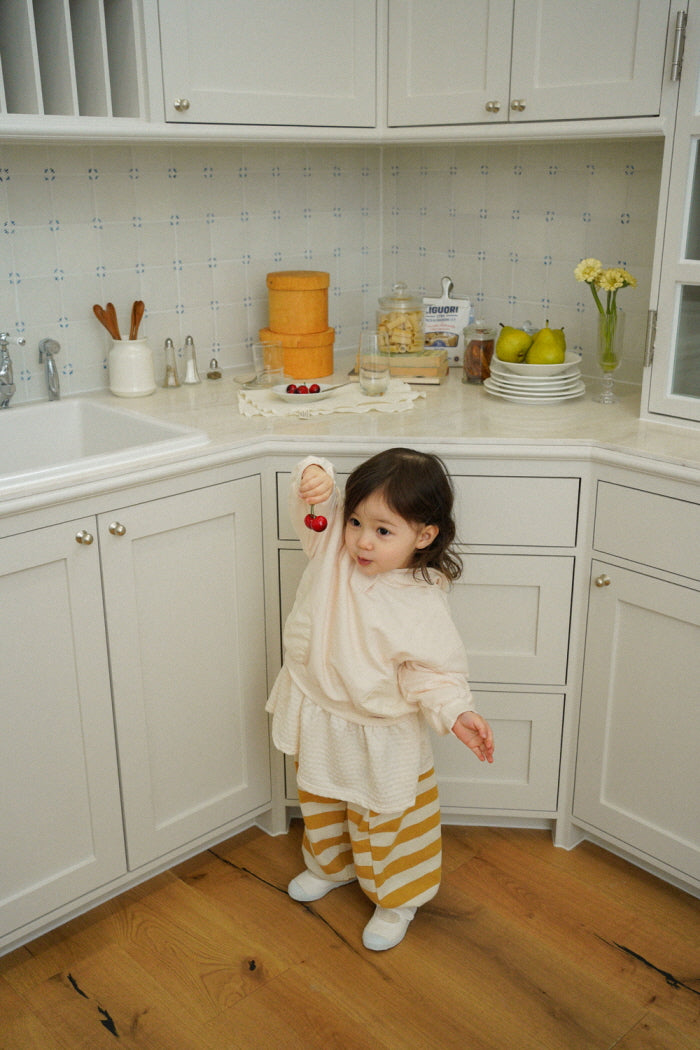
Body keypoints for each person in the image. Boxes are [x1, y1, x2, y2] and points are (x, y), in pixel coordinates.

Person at [266, 448, 494, 951]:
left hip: (380, 728)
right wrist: (313, 475)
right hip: (320, 709)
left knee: (388, 818)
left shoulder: (421, 598)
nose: (362, 541)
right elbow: (312, 507)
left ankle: (398, 898)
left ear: (424, 536)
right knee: (320, 798)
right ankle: (331, 866)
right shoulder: (332, 548)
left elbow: (432, 672)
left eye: (383, 531)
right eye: (355, 522)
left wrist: (457, 711)